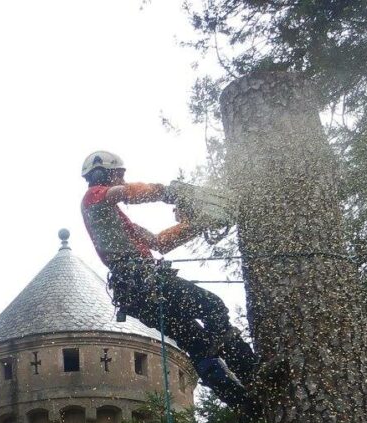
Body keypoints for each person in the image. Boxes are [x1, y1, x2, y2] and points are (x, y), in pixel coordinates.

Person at [79, 150, 257, 409]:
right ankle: (252, 373)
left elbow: (159, 242)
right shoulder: (94, 197)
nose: (123, 180)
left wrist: (197, 224)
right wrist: (169, 192)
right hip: (144, 282)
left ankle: (246, 405)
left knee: (197, 345)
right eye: (120, 175)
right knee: (212, 306)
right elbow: (125, 193)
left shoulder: (115, 219)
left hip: (138, 294)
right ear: (105, 173)